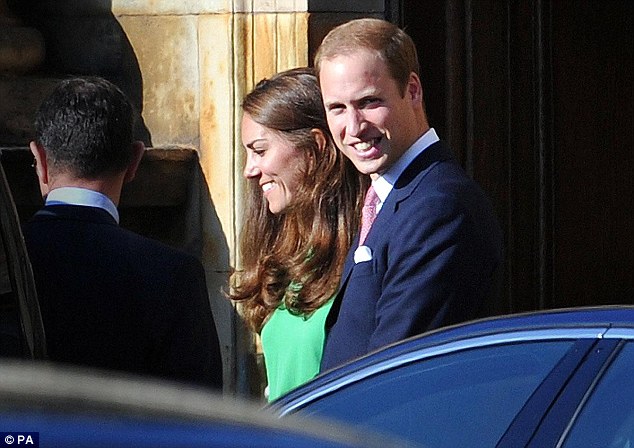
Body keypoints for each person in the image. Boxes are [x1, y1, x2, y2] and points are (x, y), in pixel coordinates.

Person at [316, 18, 504, 371]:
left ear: (413, 90)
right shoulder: (388, 195)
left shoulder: (440, 209)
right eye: (337, 108)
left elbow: (389, 372)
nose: (353, 128)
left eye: (369, 102)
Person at [23, 76, 223, 389]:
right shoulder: (173, 275)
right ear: (134, 161)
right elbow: (197, 419)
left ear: (40, 160)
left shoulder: (13, 260)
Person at [229, 67, 366, 401]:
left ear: (316, 147)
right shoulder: (291, 255)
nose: (249, 170)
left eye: (260, 151)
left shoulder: (366, 251)